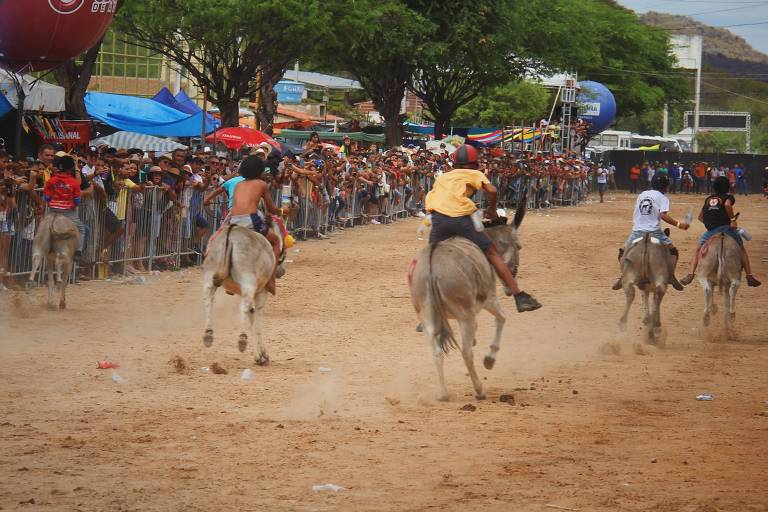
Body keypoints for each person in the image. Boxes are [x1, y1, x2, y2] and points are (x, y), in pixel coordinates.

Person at [425, 144, 541, 312]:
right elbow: (492, 190)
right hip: (461, 218)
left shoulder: (444, 176)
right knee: (492, 252)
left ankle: (430, 306)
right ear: (474, 163)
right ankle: (519, 296)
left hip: (438, 219)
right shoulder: (474, 173)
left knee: (430, 258)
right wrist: (492, 209)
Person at [612, 174, 689, 291]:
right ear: (665, 187)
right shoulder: (663, 198)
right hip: (655, 232)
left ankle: (623, 276)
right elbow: (662, 215)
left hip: (637, 231)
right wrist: (679, 225)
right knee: (673, 251)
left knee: (623, 252)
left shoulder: (642, 195)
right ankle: (671, 276)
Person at [680, 176, 760, 288]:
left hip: (711, 231)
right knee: (742, 249)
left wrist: (711, 224)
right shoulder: (728, 197)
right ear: (727, 187)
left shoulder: (708, 198)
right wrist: (732, 220)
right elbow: (727, 205)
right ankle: (749, 276)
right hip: (726, 229)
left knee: (698, 251)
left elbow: (700, 217)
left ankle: (690, 274)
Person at [229, 156, 283, 295]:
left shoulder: (239, 184)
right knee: (276, 241)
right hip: (251, 219)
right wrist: (283, 211)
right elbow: (271, 209)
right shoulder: (261, 184)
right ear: (259, 171)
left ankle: (230, 276)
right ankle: (271, 280)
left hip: (234, 220)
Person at [43, 155, 86, 257]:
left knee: (45, 228)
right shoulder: (74, 182)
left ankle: (47, 246)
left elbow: (47, 197)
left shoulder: (51, 180)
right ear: (71, 169)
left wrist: (52, 202)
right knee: (81, 229)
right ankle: (78, 252)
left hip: (53, 210)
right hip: (68, 212)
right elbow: (77, 200)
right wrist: (74, 204)